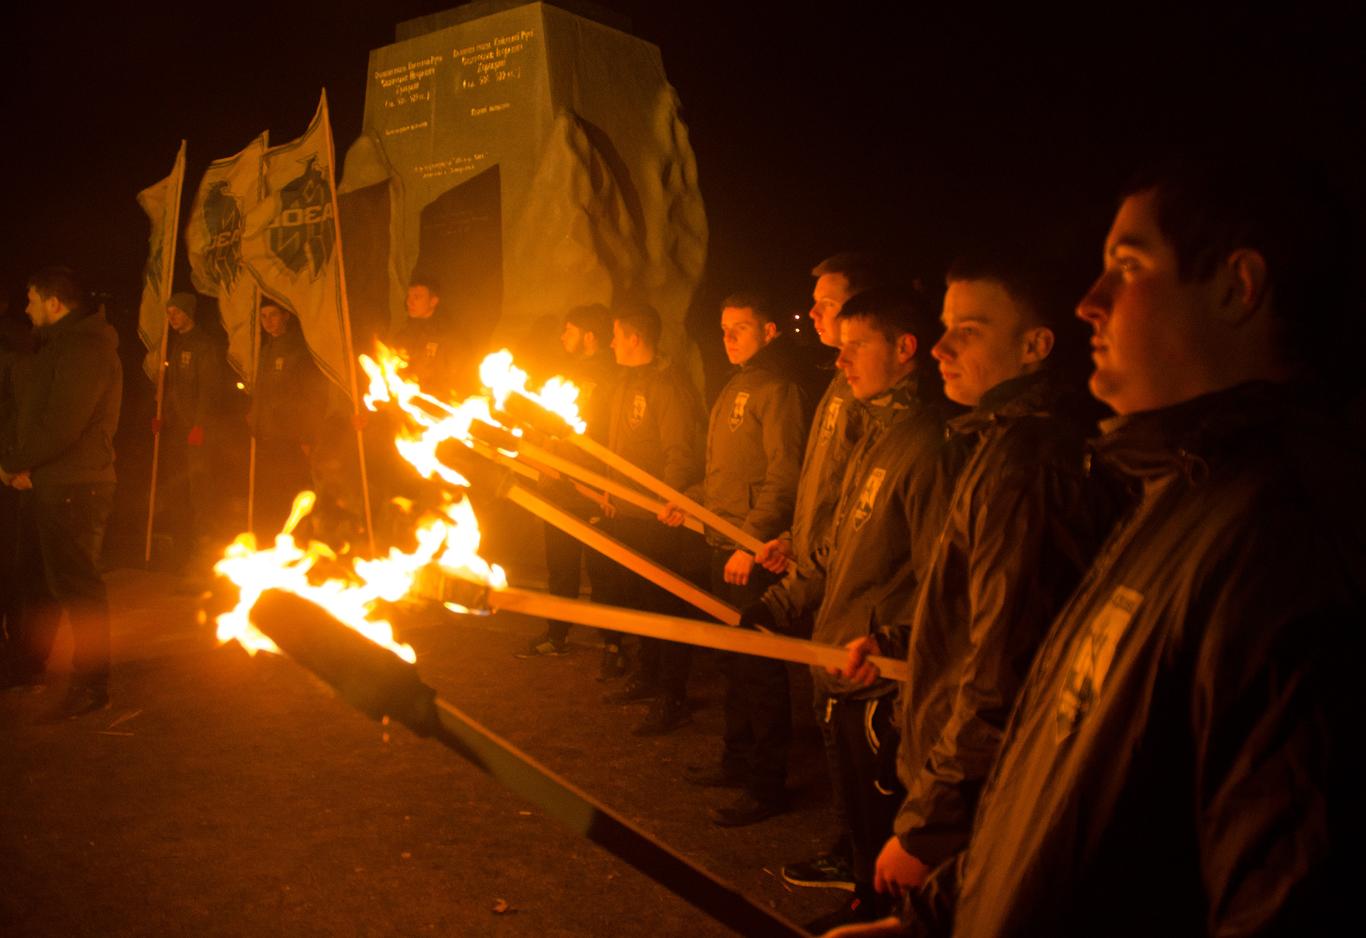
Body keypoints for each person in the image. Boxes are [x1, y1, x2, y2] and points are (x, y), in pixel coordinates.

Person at [836, 159, 1364, 936]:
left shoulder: (1283, 546)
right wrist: (943, 915)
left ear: (1236, 288)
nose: (1091, 302)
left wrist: (931, 839)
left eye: (1127, 267)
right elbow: (1063, 770)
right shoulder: (1174, 493)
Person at [838, 248, 1120, 910]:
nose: (939, 348)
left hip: (989, 794)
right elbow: (993, 608)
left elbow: (1007, 663)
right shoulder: (1002, 442)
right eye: (944, 325)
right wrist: (905, 640)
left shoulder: (1025, 461)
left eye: (969, 328)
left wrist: (931, 827)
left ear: (1036, 345)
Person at [747, 287, 961, 932]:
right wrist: (783, 601)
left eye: (856, 345)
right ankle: (864, 905)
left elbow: (942, 583)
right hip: (844, 659)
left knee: (893, 837)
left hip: (881, 683)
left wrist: (894, 646)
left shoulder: (931, 446)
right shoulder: (878, 433)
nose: (840, 360)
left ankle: (885, 916)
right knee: (863, 833)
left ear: (904, 350)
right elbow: (843, 545)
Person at [757, 253, 888, 893]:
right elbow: (823, 491)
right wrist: (792, 538)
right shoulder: (842, 384)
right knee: (829, 716)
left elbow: (858, 509)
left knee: (853, 729)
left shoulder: (876, 398)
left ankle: (861, 857)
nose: (813, 314)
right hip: (821, 574)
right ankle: (849, 844)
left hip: (850, 589)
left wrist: (808, 571)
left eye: (828, 303)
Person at [660, 292, 809, 823]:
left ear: (769, 331)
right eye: (724, 329)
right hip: (719, 541)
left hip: (749, 551)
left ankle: (767, 785)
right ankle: (737, 758)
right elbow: (729, 474)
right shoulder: (736, 384)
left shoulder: (777, 388)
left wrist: (751, 541)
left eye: (740, 329)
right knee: (732, 658)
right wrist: (692, 499)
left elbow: (783, 475)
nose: (728, 339)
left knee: (761, 667)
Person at [0, 267, 122, 718]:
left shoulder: (85, 347)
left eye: (32, 300)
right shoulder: (60, 346)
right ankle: (30, 667)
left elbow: (63, 423)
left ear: (54, 303)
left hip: (78, 485)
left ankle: (92, 685)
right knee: (43, 583)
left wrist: (14, 463)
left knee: (78, 588)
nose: (26, 308)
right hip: (54, 483)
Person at [595, 302, 706, 733]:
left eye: (616, 334)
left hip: (657, 516)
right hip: (626, 509)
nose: (611, 342)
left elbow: (679, 450)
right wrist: (608, 489)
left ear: (634, 338)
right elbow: (616, 445)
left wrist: (668, 500)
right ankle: (648, 674)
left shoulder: (667, 385)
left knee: (664, 602)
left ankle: (672, 693)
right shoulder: (626, 381)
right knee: (639, 598)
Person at [519, 303, 620, 657]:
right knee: (559, 567)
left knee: (602, 570)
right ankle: (556, 634)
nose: (563, 336)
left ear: (589, 336)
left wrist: (605, 486)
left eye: (570, 330)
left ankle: (613, 643)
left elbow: (607, 437)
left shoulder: (608, 379)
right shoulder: (568, 375)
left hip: (590, 487)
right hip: (559, 483)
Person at [248, 299, 329, 539]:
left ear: (286, 316)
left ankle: (302, 542)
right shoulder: (266, 349)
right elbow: (262, 390)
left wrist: (306, 436)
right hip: (268, 435)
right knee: (273, 493)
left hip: (291, 437)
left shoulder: (299, 349)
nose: (268, 322)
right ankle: (276, 543)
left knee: (297, 493)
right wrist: (255, 417)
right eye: (263, 317)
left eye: (273, 315)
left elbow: (310, 396)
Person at [161, 290, 230, 564]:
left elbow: (209, 389)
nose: (172, 318)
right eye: (169, 314)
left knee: (202, 491)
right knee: (180, 489)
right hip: (178, 431)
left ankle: (207, 546)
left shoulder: (204, 345)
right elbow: (174, 386)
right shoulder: (177, 344)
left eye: (176, 312)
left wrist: (201, 424)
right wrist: (163, 416)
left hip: (197, 433)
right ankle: (183, 544)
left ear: (188, 312)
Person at [391, 273, 458, 396]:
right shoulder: (405, 333)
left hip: (435, 404)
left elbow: (454, 377)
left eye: (417, 297)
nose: (409, 302)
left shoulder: (447, 335)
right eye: (409, 296)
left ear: (433, 301)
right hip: (406, 399)